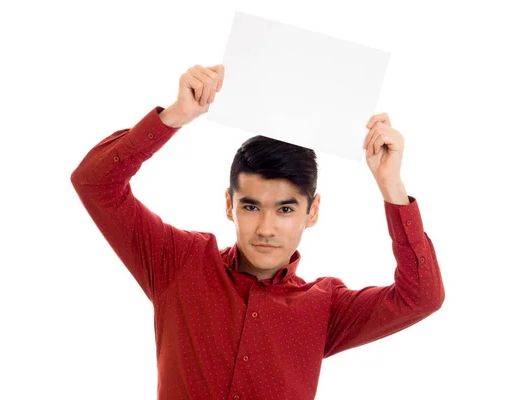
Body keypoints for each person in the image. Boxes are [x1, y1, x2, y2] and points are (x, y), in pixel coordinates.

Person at [70, 64, 445, 400]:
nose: (266, 229)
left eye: (285, 209)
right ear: (229, 205)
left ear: (312, 212)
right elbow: (93, 182)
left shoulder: (325, 306)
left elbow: (422, 297)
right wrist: (172, 117)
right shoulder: (176, 262)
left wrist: (391, 186)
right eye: (251, 206)